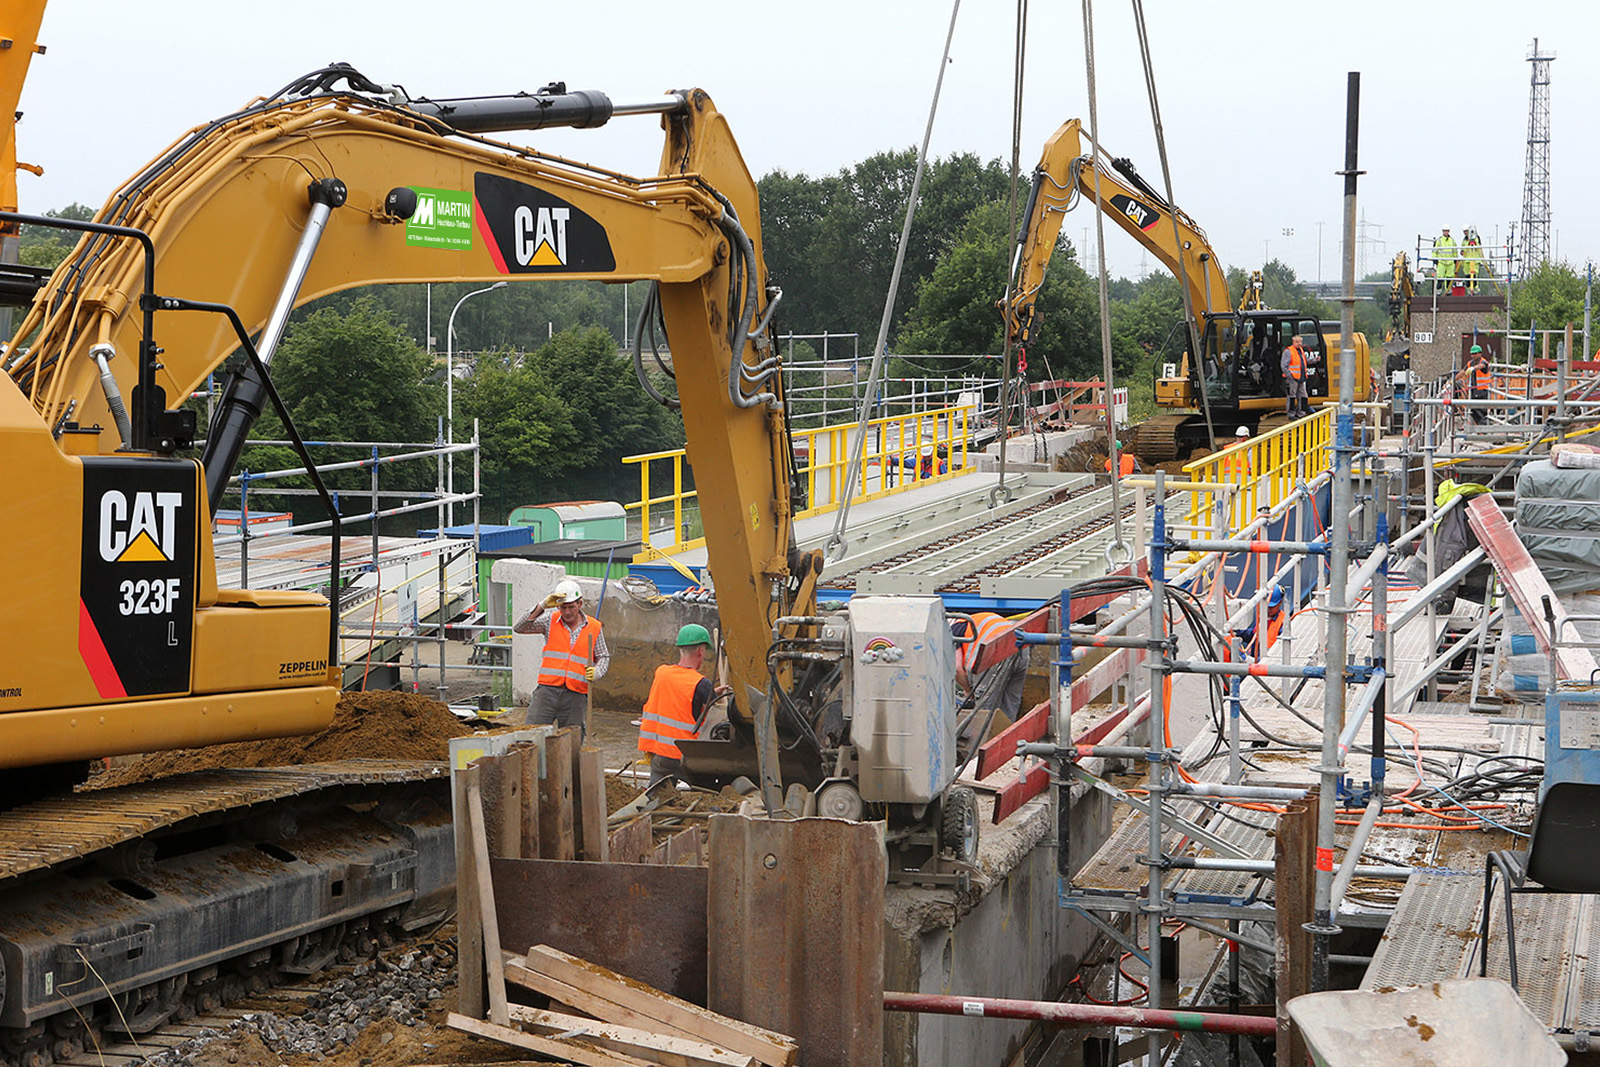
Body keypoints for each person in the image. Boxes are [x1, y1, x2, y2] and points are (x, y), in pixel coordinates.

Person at [512, 578, 608, 739]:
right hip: (546, 692)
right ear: (557, 606)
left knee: (572, 741)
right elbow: (519, 627)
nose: (567, 612)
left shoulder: (594, 627)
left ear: (580, 604)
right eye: (563, 607)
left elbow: (603, 656)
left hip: (576, 694)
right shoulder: (550, 620)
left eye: (571, 607)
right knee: (531, 737)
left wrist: (597, 672)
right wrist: (542, 605)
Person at [638, 624, 728, 787]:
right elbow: (716, 721)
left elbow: (678, 699)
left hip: (659, 754)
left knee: (655, 797)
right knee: (709, 794)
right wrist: (712, 695)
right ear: (701, 651)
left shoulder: (661, 673)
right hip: (685, 757)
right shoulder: (701, 683)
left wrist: (711, 692)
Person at [952, 612, 1026, 719]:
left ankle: (987, 735)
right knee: (1010, 705)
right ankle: (1006, 733)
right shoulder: (976, 620)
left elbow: (957, 668)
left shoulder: (954, 630)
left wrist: (968, 691)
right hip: (1021, 650)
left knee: (985, 710)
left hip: (994, 651)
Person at [1233, 584, 1287, 660]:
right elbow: (1254, 635)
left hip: (1269, 662)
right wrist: (1237, 633)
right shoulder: (1263, 617)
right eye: (1267, 606)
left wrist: (1255, 661)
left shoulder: (1283, 623)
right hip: (1257, 658)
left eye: (1272, 607)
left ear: (1280, 603)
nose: (1268, 609)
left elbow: (1279, 653)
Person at [1281, 334, 1313, 418]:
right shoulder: (1288, 351)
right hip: (1292, 379)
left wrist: (1314, 360)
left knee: (1303, 396)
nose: (1299, 344)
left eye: (1301, 342)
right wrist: (1290, 376)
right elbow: (1284, 366)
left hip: (1301, 378)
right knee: (1292, 397)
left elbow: (1304, 361)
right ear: (1293, 342)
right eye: (1297, 342)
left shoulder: (1301, 350)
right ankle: (1291, 414)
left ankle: (1301, 413)